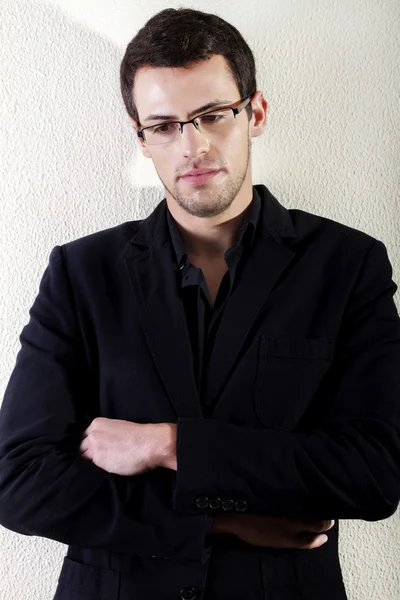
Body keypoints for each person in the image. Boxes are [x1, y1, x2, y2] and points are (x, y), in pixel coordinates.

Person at [0, 7, 399, 600]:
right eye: (164, 125)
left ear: (254, 113)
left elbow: (373, 474)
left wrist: (169, 444)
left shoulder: (348, 265)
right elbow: (20, 481)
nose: (194, 146)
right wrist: (218, 520)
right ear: (141, 137)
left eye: (213, 115)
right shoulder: (81, 274)